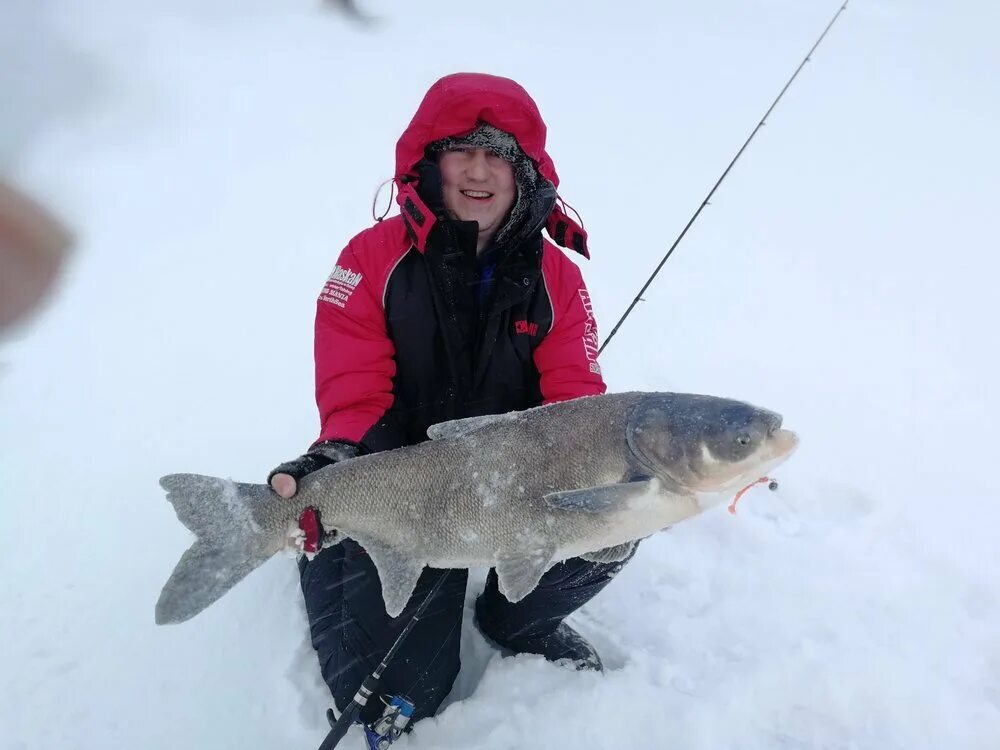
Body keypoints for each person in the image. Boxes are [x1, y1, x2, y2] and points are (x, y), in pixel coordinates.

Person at [268, 72, 636, 727]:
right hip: (401, 479)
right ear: (429, 164)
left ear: (523, 174)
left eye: (499, 154)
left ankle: (515, 619)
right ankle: (326, 549)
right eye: (460, 149)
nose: (479, 169)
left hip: (513, 479)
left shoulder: (557, 277)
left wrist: (601, 482)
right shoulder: (369, 259)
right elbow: (355, 394)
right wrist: (341, 465)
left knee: (623, 512)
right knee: (407, 698)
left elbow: (577, 404)